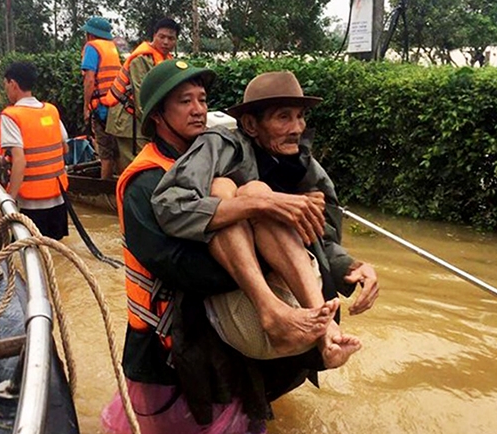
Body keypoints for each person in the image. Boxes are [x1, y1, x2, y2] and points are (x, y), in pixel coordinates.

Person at [101, 61, 358, 434]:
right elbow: (182, 267)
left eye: (202, 99)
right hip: (169, 342)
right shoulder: (145, 181)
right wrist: (267, 256)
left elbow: (300, 232)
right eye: (184, 101)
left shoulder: (228, 158)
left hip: (223, 331)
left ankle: (311, 329)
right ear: (157, 116)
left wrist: (345, 266)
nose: (198, 110)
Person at [152, 70, 379, 359]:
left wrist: (351, 267)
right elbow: (170, 205)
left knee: (258, 193)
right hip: (243, 303)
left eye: (300, 116)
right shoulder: (221, 144)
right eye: (283, 117)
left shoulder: (306, 168)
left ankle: (327, 334)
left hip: (299, 303)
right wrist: (265, 204)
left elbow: (323, 237)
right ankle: (272, 311)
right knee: (248, 190)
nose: (297, 127)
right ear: (250, 124)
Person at [0, 62, 70, 240]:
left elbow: (20, 160)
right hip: (58, 200)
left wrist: (9, 201)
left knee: (26, 254)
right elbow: (64, 148)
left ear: (13, 84)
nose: (5, 89)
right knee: (55, 253)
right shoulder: (50, 110)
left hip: (30, 204)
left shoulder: (11, 115)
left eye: (5, 84)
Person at [104, 18, 179, 172]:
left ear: (176, 41)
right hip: (128, 122)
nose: (165, 42)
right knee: (136, 169)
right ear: (154, 36)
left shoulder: (167, 60)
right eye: (162, 37)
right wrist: (160, 126)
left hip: (144, 122)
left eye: (170, 38)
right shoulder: (140, 60)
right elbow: (141, 99)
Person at [80, 16, 122, 179]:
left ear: (90, 35)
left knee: (105, 153)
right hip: (116, 104)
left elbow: (89, 79)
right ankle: (121, 184)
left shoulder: (91, 47)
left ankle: (104, 190)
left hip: (101, 108)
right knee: (116, 150)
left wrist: (86, 107)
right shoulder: (112, 48)